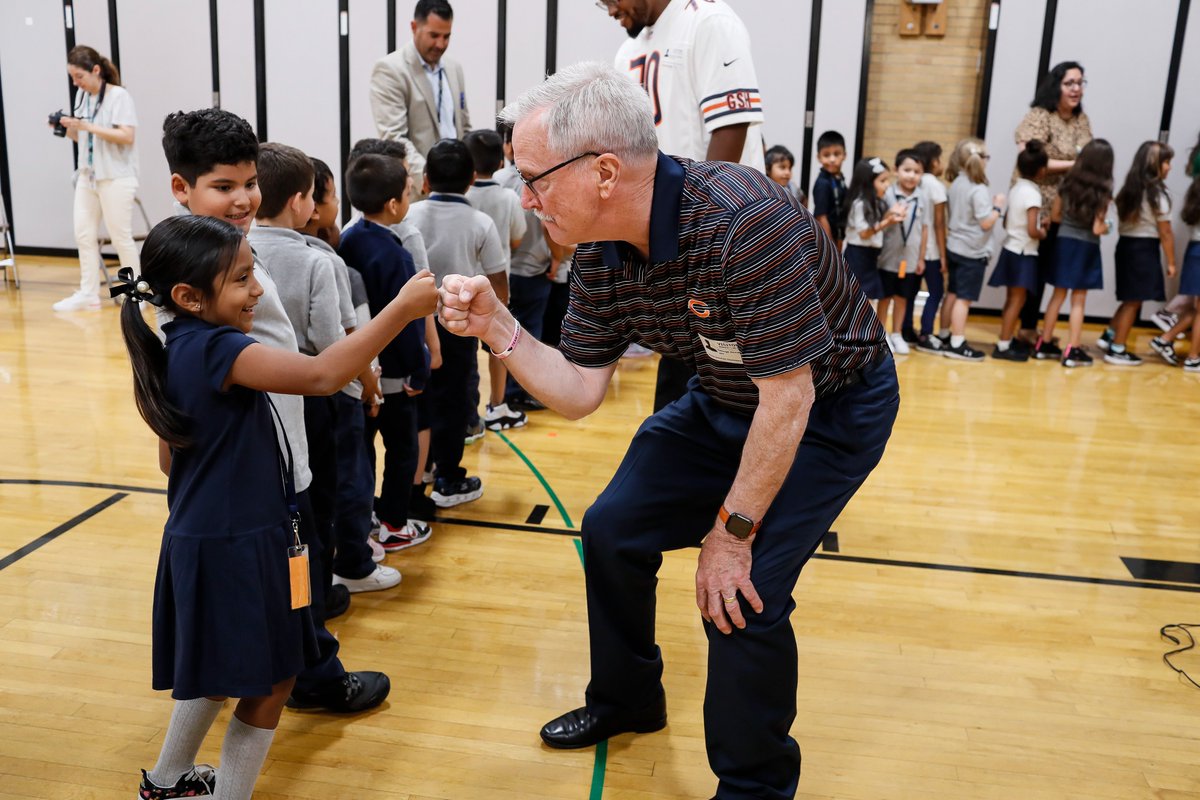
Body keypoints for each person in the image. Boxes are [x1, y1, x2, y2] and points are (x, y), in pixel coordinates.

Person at [439, 61, 898, 800]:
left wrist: (732, 532)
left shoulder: (744, 222)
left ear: (606, 171)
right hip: (721, 399)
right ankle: (628, 698)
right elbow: (582, 390)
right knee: (613, 527)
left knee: (741, 594)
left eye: (534, 177)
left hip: (824, 412)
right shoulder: (598, 248)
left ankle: (755, 785)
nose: (524, 197)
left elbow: (788, 402)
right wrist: (498, 326)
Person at [123, 215, 437, 800]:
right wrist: (402, 308)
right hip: (239, 543)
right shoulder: (220, 348)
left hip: (207, 536)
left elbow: (171, 463)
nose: (258, 291)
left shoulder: (174, 346)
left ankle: (166, 782)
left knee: (220, 672)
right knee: (272, 681)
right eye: (242, 280)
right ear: (189, 297)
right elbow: (321, 376)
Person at [161, 108, 392, 717]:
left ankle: (312, 661)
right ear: (182, 189)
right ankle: (315, 670)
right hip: (252, 481)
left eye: (249, 183)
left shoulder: (240, 250)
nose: (243, 200)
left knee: (297, 585)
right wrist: (402, 310)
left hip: (278, 460)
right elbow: (317, 371)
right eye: (223, 186)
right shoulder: (195, 284)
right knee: (280, 612)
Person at [248, 143, 401, 593]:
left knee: (292, 498)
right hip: (324, 397)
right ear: (300, 202)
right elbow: (337, 343)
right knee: (338, 489)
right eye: (314, 194)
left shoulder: (238, 249)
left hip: (265, 395)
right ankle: (348, 570)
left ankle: (298, 590)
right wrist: (369, 386)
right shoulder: (319, 260)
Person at [605, 0, 766, 412]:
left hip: (724, 234)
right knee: (681, 375)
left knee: (736, 373)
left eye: (611, 0)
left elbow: (730, 126)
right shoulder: (628, 51)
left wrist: (704, 226)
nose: (609, 11)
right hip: (668, 237)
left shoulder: (709, 21)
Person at [340, 154, 436, 550]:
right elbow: (407, 321)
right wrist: (421, 367)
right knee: (402, 451)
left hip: (361, 371)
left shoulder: (347, 240)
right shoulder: (397, 255)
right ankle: (395, 523)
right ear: (396, 204)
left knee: (363, 454)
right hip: (395, 377)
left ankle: (362, 522)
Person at [297, 157, 389, 568]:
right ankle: (354, 561)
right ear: (309, 205)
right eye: (333, 195)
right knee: (351, 478)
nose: (338, 203)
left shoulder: (253, 249)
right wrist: (370, 387)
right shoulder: (330, 264)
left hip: (290, 397)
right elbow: (351, 343)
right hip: (341, 394)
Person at [406, 139, 505, 508]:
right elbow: (498, 283)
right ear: (471, 180)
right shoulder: (481, 222)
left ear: (426, 178)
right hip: (457, 325)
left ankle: (423, 469)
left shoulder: (408, 215)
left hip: (412, 326)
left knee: (420, 398)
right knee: (454, 401)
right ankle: (448, 477)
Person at [51, 45, 139, 312]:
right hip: (88, 175)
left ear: (96, 70)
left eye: (79, 76)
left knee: (120, 236)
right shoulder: (83, 97)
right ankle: (88, 293)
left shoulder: (118, 96)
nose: (76, 82)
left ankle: (134, 293)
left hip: (116, 176)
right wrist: (64, 128)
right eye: (72, 77)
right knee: (84, 233)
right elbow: (85, 138)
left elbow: (126, 136)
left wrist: (87, 126)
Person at [1013, 61, 1093, 344]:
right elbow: (1029, 158)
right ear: (1056, 85)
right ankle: (1024, 327)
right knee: (1030, 267)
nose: (1076, 89)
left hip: (1064, 207)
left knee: (1049, 267)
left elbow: (1090, 156)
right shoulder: (1040, 115)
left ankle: (1034, 328)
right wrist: (1075, 164)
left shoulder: (1081, 120)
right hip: (1036, 202)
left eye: (1080, 83)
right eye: (1070, 83)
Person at [369, 0, 470, 195]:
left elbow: (464, 127)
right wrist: (429, 177)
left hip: (458, 190)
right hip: (420, 190)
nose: (441, 44)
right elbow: (394, 137)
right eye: (433, 35)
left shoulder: (453, 68)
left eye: (446, 36)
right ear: (414, 27)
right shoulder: (390, 70)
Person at [465, 129, 528, 430]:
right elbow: (517, 239)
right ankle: (497, 405)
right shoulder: (508, 197)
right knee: (500, 347)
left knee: (464, 357)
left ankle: (466, 414)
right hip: (497, 284)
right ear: (502, 155)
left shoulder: (462, 196)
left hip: (462, 285)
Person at [1037, 139, 1114, 367]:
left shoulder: (1067, 184)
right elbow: (1097, 228)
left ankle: (1044, 343)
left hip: (1064, 243)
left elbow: (1057, 216)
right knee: (1078, 300)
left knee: (1057, 295)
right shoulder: (1103, 192)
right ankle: (1073, 350)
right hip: (1086, 246)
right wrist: (1108, 225)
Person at [1101, 141, 1176, 366]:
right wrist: (1171, 262)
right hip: (1143, 250)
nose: (1169, 167)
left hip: (1125, 247)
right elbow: (1166, 233)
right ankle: (1118, 349)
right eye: (1166, 162)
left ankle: (1110, 336)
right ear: (1154, 165)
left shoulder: (1129, 191)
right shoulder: (1157, 196)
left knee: (1129, 299)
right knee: (1133, 302)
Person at [940, 138, 1006, 362]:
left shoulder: (957, 182)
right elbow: (986, 222)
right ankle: (958, 342)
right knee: (964, 299)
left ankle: (944, 334)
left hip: (955, 246)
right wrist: (998, 206)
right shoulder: (978, 189)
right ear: (980, 160)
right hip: (971, 251)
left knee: (953, 293)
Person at [988, 140, 1049, 362]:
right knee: (1017, 301)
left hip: (1011, 247)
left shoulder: (1016, 188)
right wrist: (1043, 231)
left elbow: (1006, 223)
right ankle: (1003, 345)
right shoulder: (1033, 194)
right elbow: (1033, 230)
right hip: (1024, 252)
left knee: (1011, 299)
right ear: (1042, 170)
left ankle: (1005, 339)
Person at [877, 149, 927, 355]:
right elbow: (880, 222)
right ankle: (881, 333)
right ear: (897, 171)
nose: (911, 175)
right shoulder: (888, 194)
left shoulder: (922, 197)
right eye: (907, 170)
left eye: (916, 171)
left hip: (910, 258)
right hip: (888, 256)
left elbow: (925, 229)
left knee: (903, 297)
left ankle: (897, 333)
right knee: (885, 296)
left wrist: (922, 257)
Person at [842, 157, 904, 304]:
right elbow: (864, 233)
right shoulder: (859, 204)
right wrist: (887, 221)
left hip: (869, 255)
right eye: (882, 181)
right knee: (859, 298)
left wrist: (891, 213)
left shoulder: (875, 202)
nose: (887, 185)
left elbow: (874, 224)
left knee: (866, 298)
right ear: (868, 183)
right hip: (858, 255)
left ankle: (864, 326)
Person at [908, 141, 948, 351]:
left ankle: (907, 329)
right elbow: (939, 223)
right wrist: (943, 255)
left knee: (910, 291)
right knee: (936, 291)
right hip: (931, 249)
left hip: (914, 247)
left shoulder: (916, 180)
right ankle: (926, 333)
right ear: (933, 161)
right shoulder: (936, 185)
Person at [811, 130, 848, 251]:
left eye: (837, 154)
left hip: (838, 235)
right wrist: (830, 246)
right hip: (827, 240)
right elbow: (821, 217)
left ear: (844, 155)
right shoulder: (823, 183)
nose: (832, 159)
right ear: (819, 157)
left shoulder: (839, 178)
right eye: (826, 155)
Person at [1179, 173, 1200, 371]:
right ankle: (1193, 357)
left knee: (1196, 308)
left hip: (1194, 248)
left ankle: (1165, 338)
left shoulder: (1196, 188)